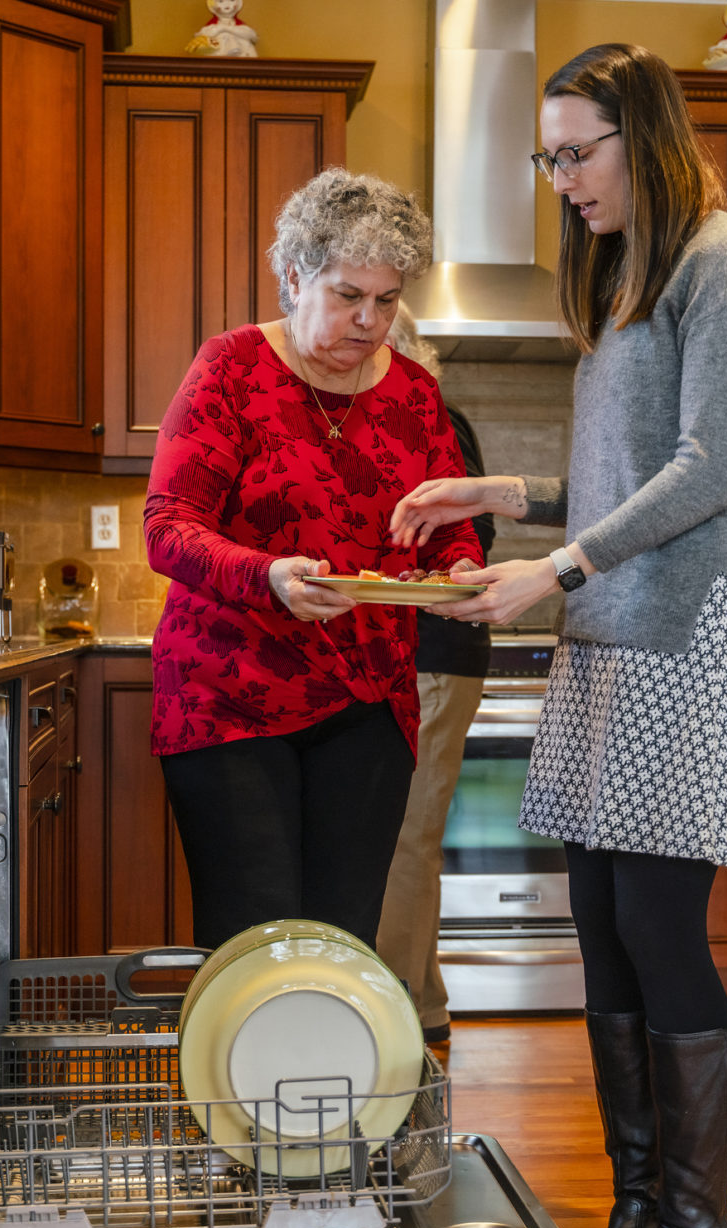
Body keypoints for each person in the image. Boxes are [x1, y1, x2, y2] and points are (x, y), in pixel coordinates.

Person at [390, 45, 727, 1228]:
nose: (561, 180)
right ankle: (641, 1209)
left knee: (656, 925)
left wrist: (557, 569)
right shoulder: (624, 275)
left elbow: (712, 471)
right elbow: (625, 481)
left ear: (646, 137)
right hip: (616, 638)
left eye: (577, 153)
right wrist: (499, 491)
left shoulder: (726, 261)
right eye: (548, 158)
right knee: (599, 923)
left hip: (690, 639)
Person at [144, 168, 484, 952]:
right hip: (228, 700)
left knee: (341, 946)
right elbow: (168, 525)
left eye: (388, 300)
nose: (370, 320)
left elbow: (445, 524)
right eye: (347, 295)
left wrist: (460, 572)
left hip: (369, 702)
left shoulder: (415, 395)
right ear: (294, 276)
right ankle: (241, 1083)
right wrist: (265, 575)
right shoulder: (229, 369)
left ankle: (330, 1082)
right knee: (254, 940)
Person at [374, 304, 494, 1046]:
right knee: (406, 832)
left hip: (433, 651)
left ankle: (390, 1014)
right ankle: (424, 1002)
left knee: (406, 832)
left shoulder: (434, 420)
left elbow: (471, 534)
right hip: (415, 652)